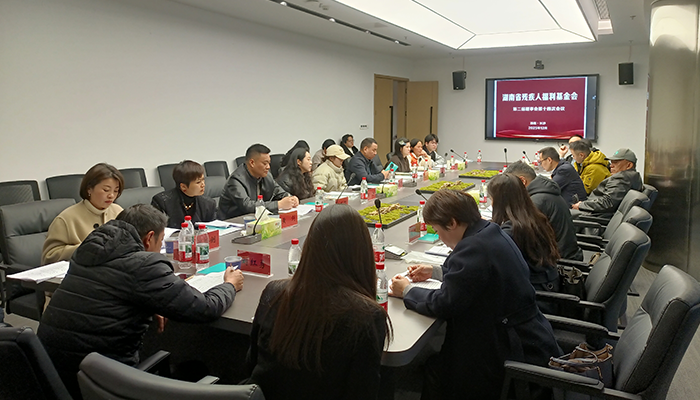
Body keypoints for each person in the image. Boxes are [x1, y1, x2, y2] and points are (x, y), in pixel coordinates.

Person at [37, 204, 243, 398]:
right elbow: (205, 308)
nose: (159, 249)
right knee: (195, 369)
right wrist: (229, 284)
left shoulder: (88, 252)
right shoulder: (144, 265)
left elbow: (107, 294)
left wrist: (148, 300)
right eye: (160, 243)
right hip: (103, 385)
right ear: (149, 238)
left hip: (52, 376)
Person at [389, 190, 560, 400]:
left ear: (452, 223)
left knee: (436, 370)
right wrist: (435, 272)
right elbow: (477, 275)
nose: (439, 237)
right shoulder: (490, 231)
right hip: (527, 334)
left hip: (504, 346)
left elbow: (444, 303)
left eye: (437, 230)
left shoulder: (473, 248)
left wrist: (406, 290)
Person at [247, 204, 390, 400]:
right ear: (363, 254)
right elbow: (363, 391)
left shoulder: (274, 293)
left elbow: (251, 364)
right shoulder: (367, 316)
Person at [488, 173, 562, 303]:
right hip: (547, 286)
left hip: (535, 299)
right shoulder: (534, 219)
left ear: (499, 201)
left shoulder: (510, 233)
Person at [42, 163, 125, 265]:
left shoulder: (118, 211)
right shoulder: (66, 219)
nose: (111, 195)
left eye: (116, 191)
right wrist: (84, 248)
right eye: (106, 190)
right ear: (89, 189)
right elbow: (48, 257)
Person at [505, 161, 583, 261]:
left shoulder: (537, 202)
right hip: (560, 254)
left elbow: (519, 236)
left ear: (522, 181)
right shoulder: (544, 192)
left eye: (510, 185)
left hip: (559, 262)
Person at [218, 144, 299, 219]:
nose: (268, 167)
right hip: (234, 222)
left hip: (256, 219)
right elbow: (247, 206)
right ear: (252, 163)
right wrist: (278, 204)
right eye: (265, 163)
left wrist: (290, 198)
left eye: (269, 163)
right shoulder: (236, 180)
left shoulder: (266, 176)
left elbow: (278, 191)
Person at [572, 148, 644, 217]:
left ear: (629, 165)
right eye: (611, 162)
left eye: (615, 162)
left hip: (596, 216)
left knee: (566, 215)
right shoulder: (633, 177)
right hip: (596, 212)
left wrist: (581, 205)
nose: (611, 165)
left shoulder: (621, 178)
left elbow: (608, 203)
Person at [151, 160, 217, 229]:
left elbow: (213, 229)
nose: (203, 185)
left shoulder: (208, 204)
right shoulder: (162, 202)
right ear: (183, 187)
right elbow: (157, 231)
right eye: (198, 182)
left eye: (203, 180)